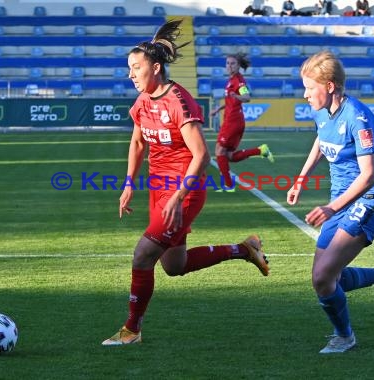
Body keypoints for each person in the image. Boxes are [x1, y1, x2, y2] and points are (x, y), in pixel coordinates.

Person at [102, 19, 270, 346]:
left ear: (155, 67)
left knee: (141, 257)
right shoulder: (141, 103)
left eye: (135, 68)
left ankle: (132, 329)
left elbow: (202, 155)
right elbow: (137, 143)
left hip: (184, 191)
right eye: (129, 69)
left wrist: (178, 197)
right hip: (158, 190)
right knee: (174, 266)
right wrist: (127, 184)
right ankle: (244, 249)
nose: (130, 74)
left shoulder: (178, 101)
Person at [287, 50, 374, 354]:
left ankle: (344, 336)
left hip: (370, 197)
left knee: (322, 278)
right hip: (341, 199)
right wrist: (301, 179)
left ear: (330, 86)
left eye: (309, 87)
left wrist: (332, 208)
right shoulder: (321, 111)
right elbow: (321, 139)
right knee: (329, 280)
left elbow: (369, 176)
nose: (304, 94)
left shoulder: (359, 117)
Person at [211, 52, 274, 191]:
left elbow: (246, 97)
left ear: (238, 66)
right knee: (230, 156)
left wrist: (236, 96)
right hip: (230, 119)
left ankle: (228, 185)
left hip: (233, 121)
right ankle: (260, 150)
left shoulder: (239, 81)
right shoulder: (231, 80)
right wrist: (218, 109)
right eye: (227, 63)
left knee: (219, 150)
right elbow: (230, 100)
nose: (229, 66)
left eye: (233, 63)